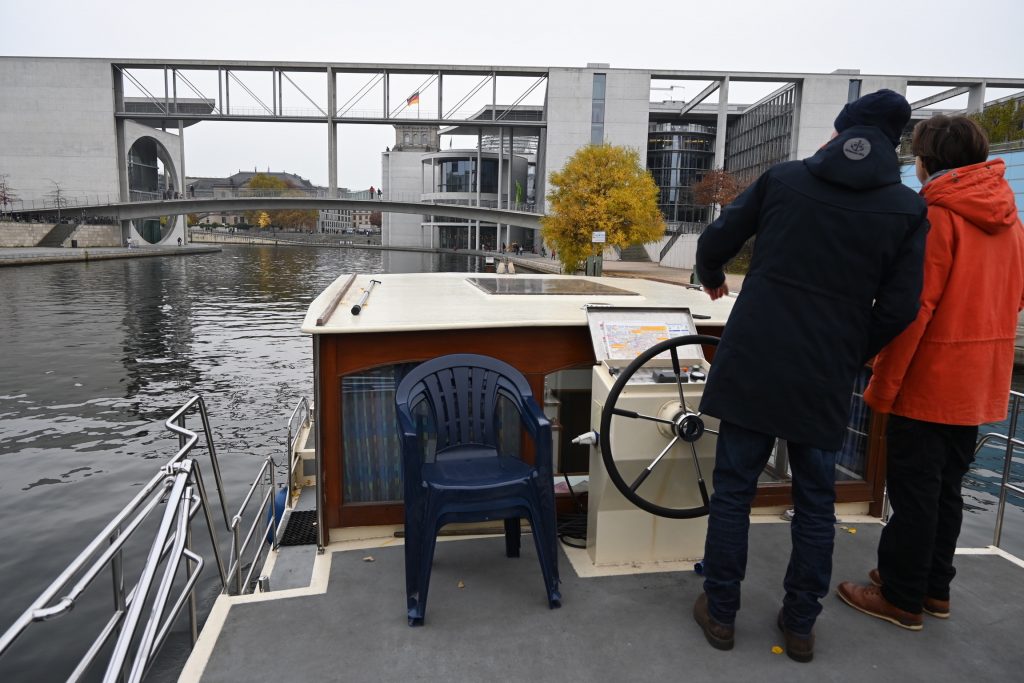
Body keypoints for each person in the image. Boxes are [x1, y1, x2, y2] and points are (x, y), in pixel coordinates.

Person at [692, 89, 929, 663]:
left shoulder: (786, 178)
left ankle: (720, 612)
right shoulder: (906, 209)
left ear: (842, 129)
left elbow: (717, 239)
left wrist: (711, 274)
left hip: (755, 359)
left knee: (733, 492)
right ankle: (800, 625)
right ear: (893, 143)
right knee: (817, 500)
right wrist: (850, 347)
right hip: (824, 371)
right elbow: (900, 308)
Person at [837, 116, 1024, 630]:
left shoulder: (937, 218)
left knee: (914, 493)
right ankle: (933, 587)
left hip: (931, 380)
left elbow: (912, 311)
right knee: (946, 491)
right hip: (980, 382)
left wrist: (882, 384)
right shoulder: (1008, 219)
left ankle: (900, 597)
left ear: (927, 163)